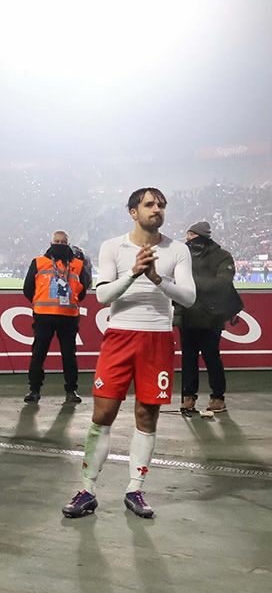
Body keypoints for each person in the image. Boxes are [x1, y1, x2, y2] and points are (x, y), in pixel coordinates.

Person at [62, 187, 195, 520]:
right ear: (133, 212)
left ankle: (135, 488)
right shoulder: (113, 247)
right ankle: (87, 490)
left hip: (157, 340)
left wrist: (156, 279)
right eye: (149, 204)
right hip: (120, 337)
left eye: (162, 204)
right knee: (102, 414)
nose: (157, 209)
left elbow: (189, 297)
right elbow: (103, 295)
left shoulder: (177, 250)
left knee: (147, 417)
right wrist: (135, 273)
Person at [175, 221, 240, 417]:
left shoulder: (222, 256)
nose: (188, 240)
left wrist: (191, 283)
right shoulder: (183, 254)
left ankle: (218, 397)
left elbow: (223, 283)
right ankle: (188, 397)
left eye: (191, 236)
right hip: (188, 315)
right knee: (189, 358)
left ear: (199, 235)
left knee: (211, 357)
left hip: (211, 316)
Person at [22, 230, 92, 405]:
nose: (59, 244)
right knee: (38, 354)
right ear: (51, 242)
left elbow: (83, 289)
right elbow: (28, 288)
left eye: (62, 242)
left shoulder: (78, 264)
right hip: (44, 316)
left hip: (68, 317)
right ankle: (34, 390)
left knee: (69, 355)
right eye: (57, 241)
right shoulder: (38, 262)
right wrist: (40, 302)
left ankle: (71, 391)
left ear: (68, 243)